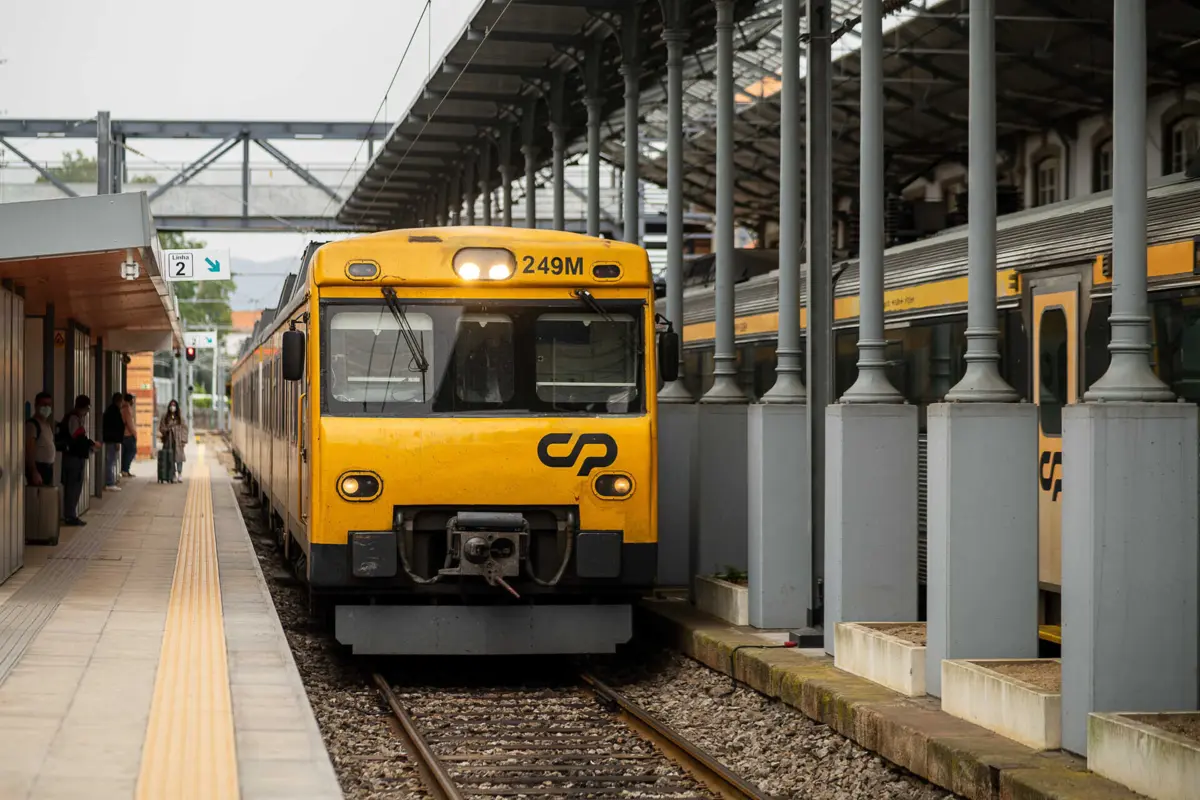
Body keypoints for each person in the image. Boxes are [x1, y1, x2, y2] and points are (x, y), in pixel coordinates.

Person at [61, 395, 98, 526]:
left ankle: (71, 514)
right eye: (87, 409)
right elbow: (77, 439)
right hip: (73, 458)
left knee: (75, 487)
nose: (87, 412)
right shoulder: (73, 418)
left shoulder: (76, 418)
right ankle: (70, 516)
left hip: (76, 457)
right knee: (73, 487)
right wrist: (90, 445)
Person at [25, 392, 56, 486]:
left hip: (47, 468)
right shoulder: (32, 425)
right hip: (38, 468)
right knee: (38, 499)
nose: (47, 407)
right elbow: (29, 449)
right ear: (36, 406)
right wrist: (34, 471)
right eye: (44, 404)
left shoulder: (47, 424)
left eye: (49, 405)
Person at [101, 393, 125, 491]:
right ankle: (109, 482)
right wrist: (117, 441)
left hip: (110, 439)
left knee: (111, 460)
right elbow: (115, 428)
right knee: (110, 461)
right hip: (112, 440)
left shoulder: (111, 410)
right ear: (119, 401)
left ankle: (110, 481)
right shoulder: (114, 412)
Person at [159, 401, 188, 482]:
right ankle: (173, 474)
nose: (172, 407)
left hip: (178, 441)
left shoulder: (180, 417)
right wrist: (166, 430)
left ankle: (180, 474)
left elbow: (185, 429)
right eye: (171, 405)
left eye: (174, 405)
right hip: (168, 440)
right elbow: (161, 427)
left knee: (179, 458)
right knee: (170, 458)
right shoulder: (165, 416)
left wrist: (183, 440)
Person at [121, 393, 137, 477]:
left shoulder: (123, 408)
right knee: (131, 451)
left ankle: (125, 470)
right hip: (128, 434)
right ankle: (125, 470)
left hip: (124, 434)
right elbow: (130, 423)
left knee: (126, 453)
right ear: (130, 400)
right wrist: (135, 434)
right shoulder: (127, 409)